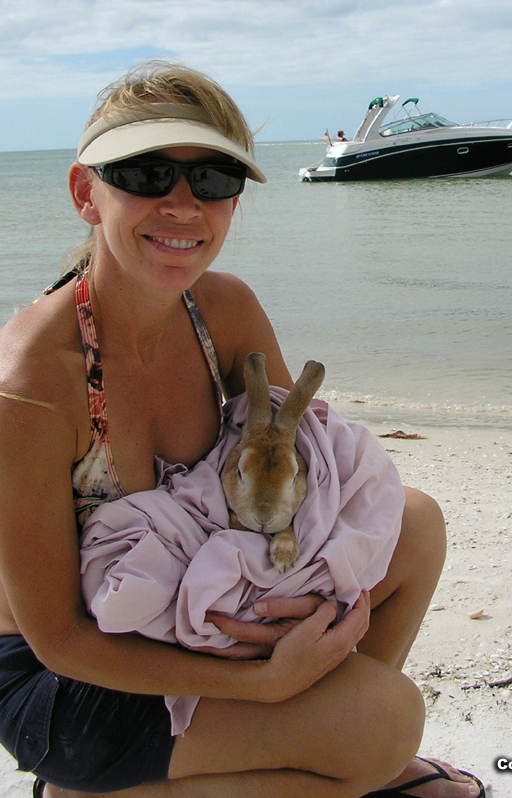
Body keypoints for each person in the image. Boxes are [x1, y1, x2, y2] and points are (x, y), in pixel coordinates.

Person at [0, 61, 484, 798]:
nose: (183, 206)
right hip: (69, 680)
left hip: (197, 606)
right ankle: (92, 790)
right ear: (85, 195)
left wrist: (334, 613)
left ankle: (315, 759)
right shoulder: (31, 387)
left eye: (215, 182)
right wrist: (263, 687)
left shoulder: (220, 313)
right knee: (386, 721)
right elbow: (59, 639)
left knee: (414, 524)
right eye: (146, 174)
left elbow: (309, 475)